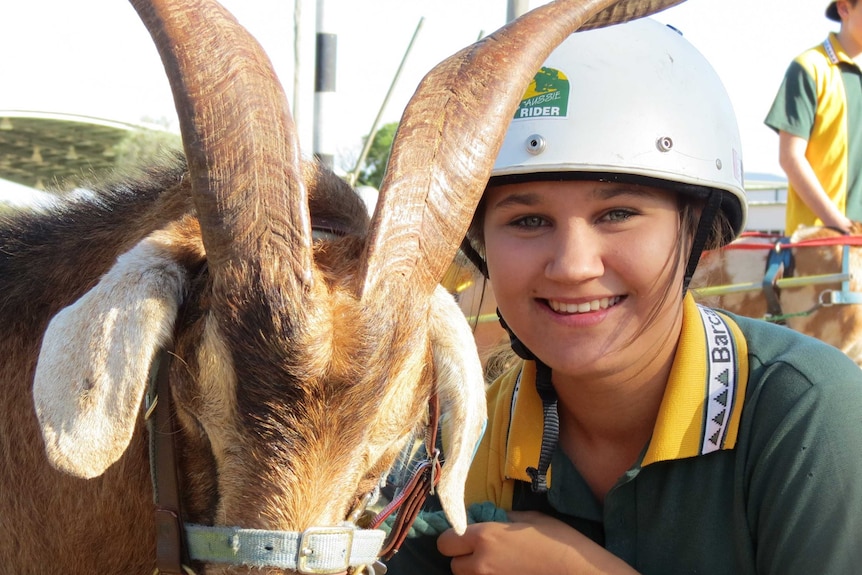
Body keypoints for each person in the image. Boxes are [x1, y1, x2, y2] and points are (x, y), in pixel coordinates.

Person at [383, 16, 862, 575]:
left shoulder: (810, 415)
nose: (572, 267)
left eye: (618, 214)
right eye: (529, 219)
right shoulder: (467, 444)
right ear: (479, 242)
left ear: (699, 233)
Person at [764, 0, 862, 235]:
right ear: (844, 8)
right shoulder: (809, 68)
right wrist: (841, 225)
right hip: (818, 246)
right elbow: (790, 157)